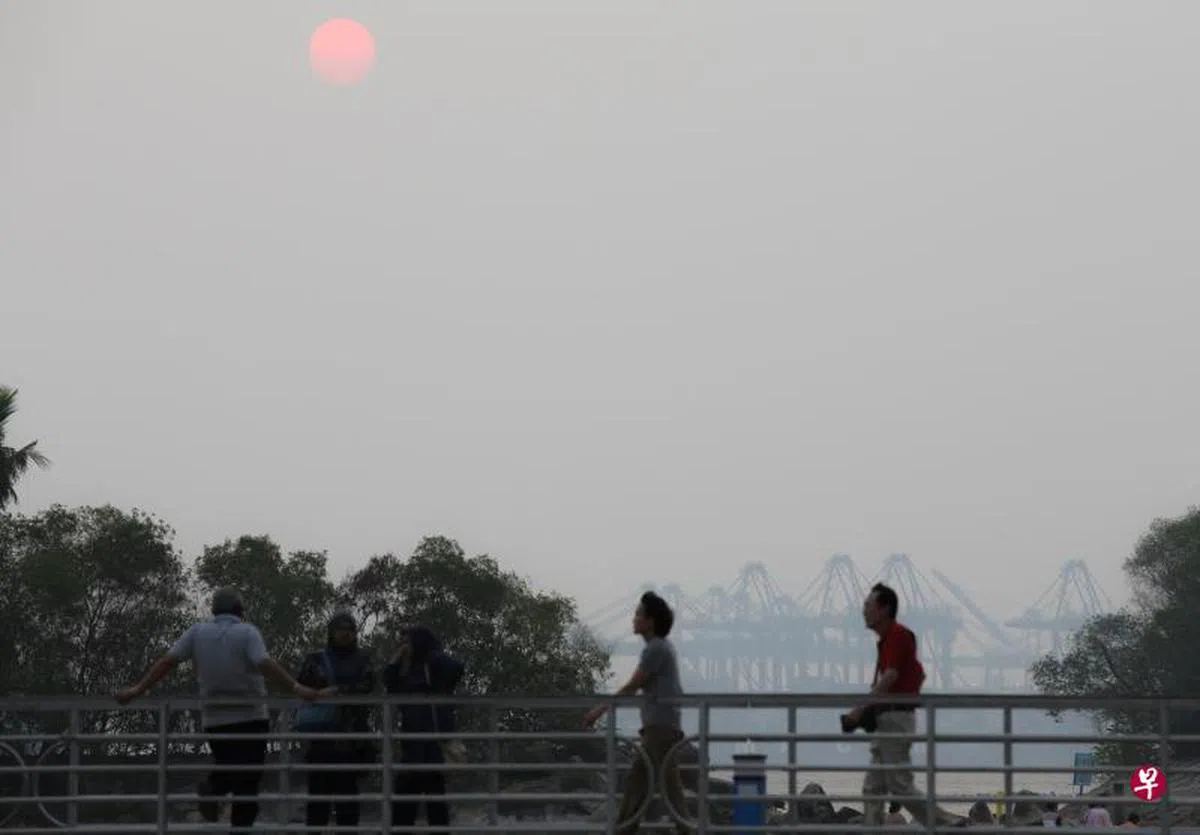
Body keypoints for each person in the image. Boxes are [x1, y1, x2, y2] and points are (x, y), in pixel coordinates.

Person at [116, 587, 327, 833]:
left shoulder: (197, 632)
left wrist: (138, 689)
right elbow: (264, 663)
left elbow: (168, 661)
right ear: (241, 611)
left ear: (214, 610)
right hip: (251, 717)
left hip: (214, 718)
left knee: (229, 766)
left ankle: (214, 788)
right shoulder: (247, 632)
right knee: (247, 784)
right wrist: (296, 687)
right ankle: (224, 804)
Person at [844, 583, 956, 830]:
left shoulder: (896, 635)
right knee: (873, 787)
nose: (863, 610)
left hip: (896, 719)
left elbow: (891, 676)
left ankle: (945, 823)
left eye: (868, 605)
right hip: (888, 719)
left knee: (899, 784)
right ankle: (872, 828)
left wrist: (860, 709)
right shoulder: (887, 640)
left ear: (883, 609)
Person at [584, 591, 688, 835]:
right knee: (651, 783)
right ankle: (628, 828)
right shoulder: (661, 647)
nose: (633, 619)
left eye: (638, 614)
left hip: (660, 728)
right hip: (661, 726)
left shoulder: (655, 649)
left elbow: (633, 685)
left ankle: (625, 829)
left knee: (649, 783)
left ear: (650, 621)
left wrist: (599, 710)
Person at [296, 611, 377, 832]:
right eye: (340, 629)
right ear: (331, 632)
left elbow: (368, 686)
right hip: (321, 738)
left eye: (350, 629)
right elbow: (302, 684)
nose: (345, 633)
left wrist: (339, 691)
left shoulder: (362, 659)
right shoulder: (316, 659)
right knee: (317, 800)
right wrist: (321, 689)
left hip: (351, 740)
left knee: (348, 801)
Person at [383, 625, 466, 832]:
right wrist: (396, 658)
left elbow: (456, 668)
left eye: (407, 642)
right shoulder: (405, 671)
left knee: (435, 804)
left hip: (433, 745)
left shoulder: (433, 667)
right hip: (411, 745)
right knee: (403, 805)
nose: (403, 646)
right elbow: (388, 682)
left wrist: (430, 651)